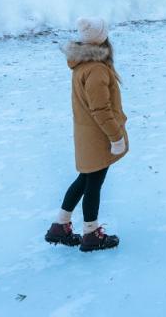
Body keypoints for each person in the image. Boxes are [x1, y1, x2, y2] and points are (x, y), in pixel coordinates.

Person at [44, 18, 128, 252]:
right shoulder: (97, 70)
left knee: (85, 179)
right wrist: (116, 138)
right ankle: (91, 234)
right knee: (93, 182)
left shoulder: (83, 64)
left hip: (86, 134)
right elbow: (100, 109)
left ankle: (60, 227)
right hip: (98, 136)